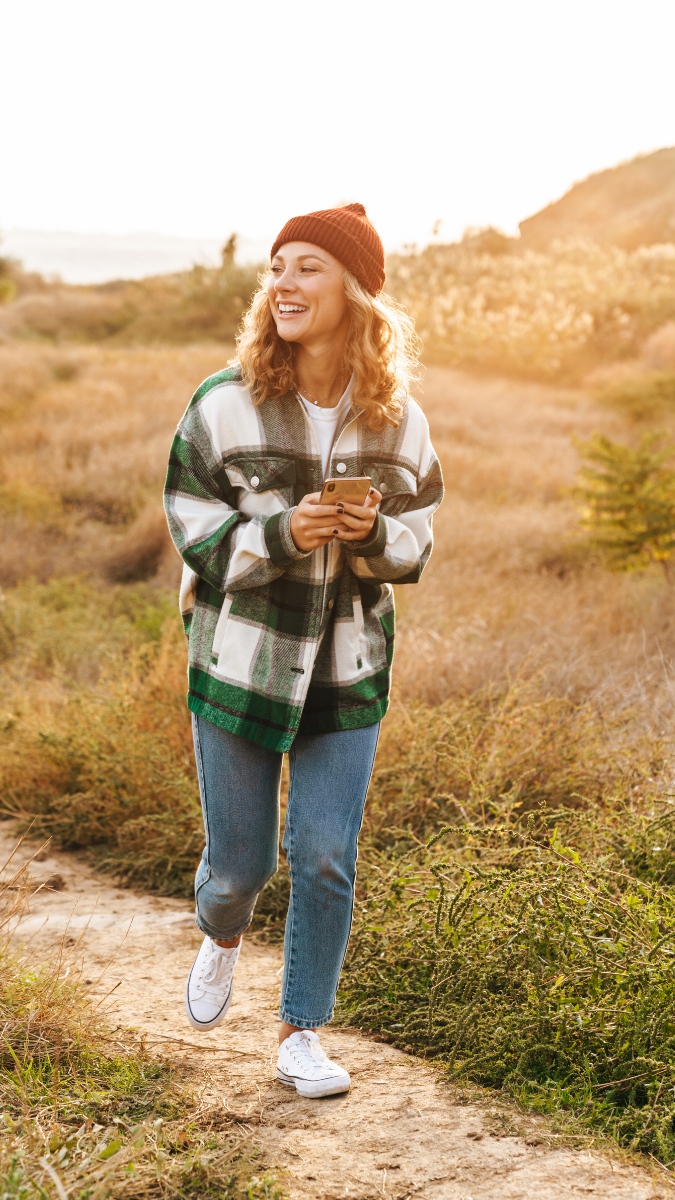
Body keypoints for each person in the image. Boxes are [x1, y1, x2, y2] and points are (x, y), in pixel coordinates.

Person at [164, 202, 443, 1098]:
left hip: (345, 663)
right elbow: (191, 524)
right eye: (276, 267)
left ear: (355, 293)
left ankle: (301, 1033)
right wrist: (284, 531)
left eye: (307, 267)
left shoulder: (399, 420)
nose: (282, 283)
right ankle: (221, 932)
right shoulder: (223, 402)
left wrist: (368, 533)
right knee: (241, 867)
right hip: (242, 658)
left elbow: (420, 537)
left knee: (325, 855)